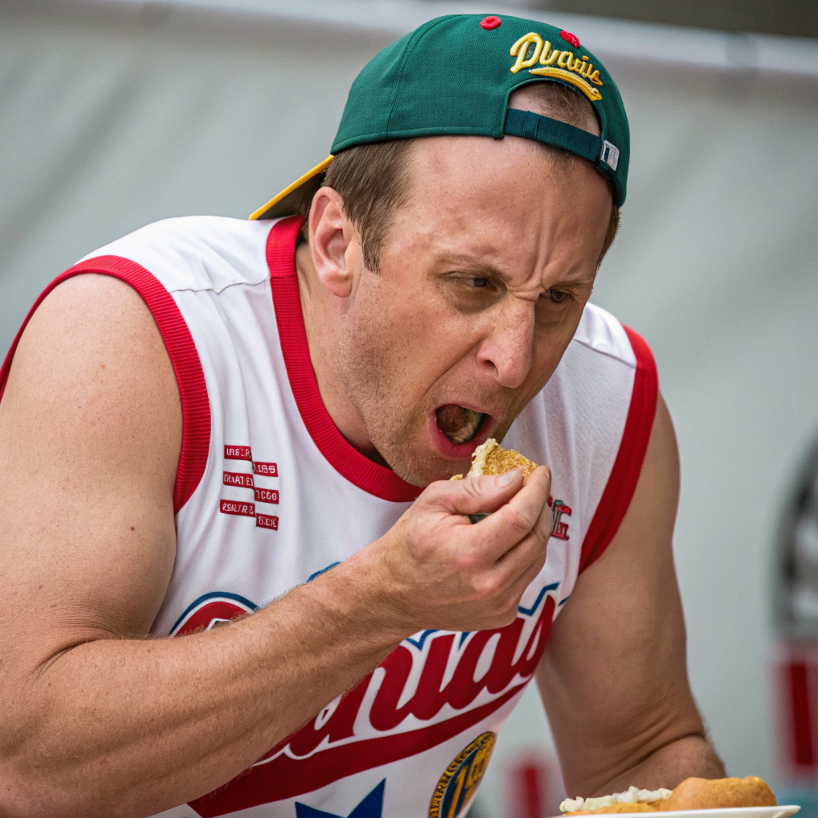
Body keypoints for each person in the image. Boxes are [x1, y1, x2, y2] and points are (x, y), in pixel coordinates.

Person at [0, 13, 724, 818]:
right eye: (472, 285)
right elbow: (24, 765)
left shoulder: (607, 398)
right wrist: (379, 602)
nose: (515, 360)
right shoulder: (142, 335)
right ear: (339, 240)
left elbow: (639, 748)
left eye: (559, 298)